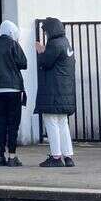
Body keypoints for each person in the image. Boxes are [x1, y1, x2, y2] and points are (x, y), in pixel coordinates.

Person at [34, 17, 77, 168]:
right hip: (65, 90)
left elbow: (46, 62)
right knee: (62, 123)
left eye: (45, 31)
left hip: (53, 90)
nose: (45, 34)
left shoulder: (54, 43)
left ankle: (56, 156)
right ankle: (68, 156)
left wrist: (40, 51)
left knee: (51, 122)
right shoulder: (66, 43)